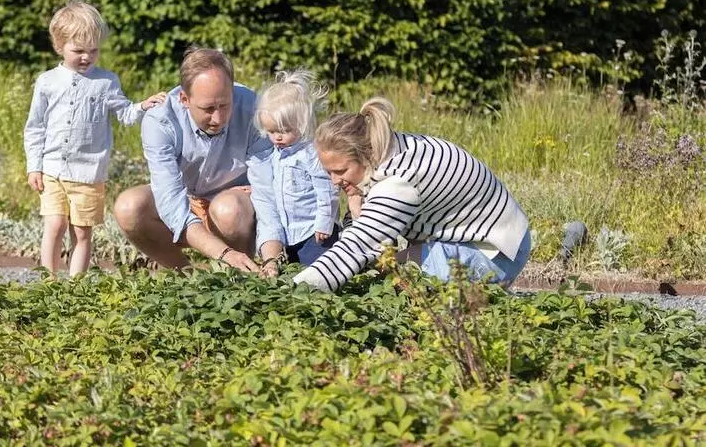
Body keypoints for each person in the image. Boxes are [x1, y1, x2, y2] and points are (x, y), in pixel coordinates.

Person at [293, 97, 531, 292]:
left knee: (391, 277)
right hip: (492, 237)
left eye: (341, 171)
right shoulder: (392, 146)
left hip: (496, 254)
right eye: (329, 172)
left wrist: (299, 289)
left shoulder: (398, 182)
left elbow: (359, 247)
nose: (335, 181)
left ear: (365, 154)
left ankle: (484, 293)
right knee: (387, 266)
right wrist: (356, 204)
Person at [23, 0, 165, 276]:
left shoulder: (106, 81)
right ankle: (48, 281)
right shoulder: (47, 82)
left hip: (88, 174)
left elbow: (124, 113)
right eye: (78, 51)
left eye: (93, 50)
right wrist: (34, 165)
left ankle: (76, 285)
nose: (86, 57)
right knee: (54, 225)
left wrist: (144, 106)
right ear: (59, 46)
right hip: (52, 170)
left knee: (82, 232)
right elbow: (35, 127)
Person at [113, 48, 286, 274]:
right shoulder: (160, 120)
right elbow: (172, 203)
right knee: (129, 207)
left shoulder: (254, 109)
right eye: (208, 109)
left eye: (224, 105)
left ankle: (243, 278)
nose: (218, 118)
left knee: (228, 209)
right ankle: (188, 276)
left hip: (237, 203)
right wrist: (224, 253)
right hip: (187, 197)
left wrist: (272, 257)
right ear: (184, 99)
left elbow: (266, 192)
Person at [253, 69, 339, 266]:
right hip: (290, 233)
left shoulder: (310, 154)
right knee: (295, 275)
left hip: (315, 231)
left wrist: (325, 222)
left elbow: (328, 189)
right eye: (272, 131)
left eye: (284, 131)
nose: (277, 137)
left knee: (318, 271)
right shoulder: (275, 155)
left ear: (301, 124)